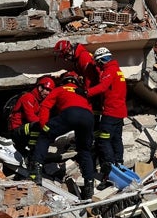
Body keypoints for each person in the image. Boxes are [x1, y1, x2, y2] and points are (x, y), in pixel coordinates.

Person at [28, 71, 95, 200]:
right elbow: (89, 108)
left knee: (44, 137)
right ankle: (89, 186)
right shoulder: (81, 92)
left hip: (70, 113)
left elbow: (45, 106)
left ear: (64, 81)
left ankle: (35, 171)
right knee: (84, 151)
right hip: (88, 117)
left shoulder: (59, 89)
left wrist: (44, 125)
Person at [87, 47, 127, 190]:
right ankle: (119, 166)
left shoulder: (109, 71)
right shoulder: (117, 70)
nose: (98, 66)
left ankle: (109, 173)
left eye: (98, 63)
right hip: (120, 112)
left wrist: (86, 92)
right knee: (117, 140)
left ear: (102, 60)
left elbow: (103, 86)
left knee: (104, 142)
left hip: (110, 113)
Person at [7, 76, 56, 162]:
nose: (48, 93)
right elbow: (31, 118)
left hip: (24, 131)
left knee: (40, 127)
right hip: (16, 131)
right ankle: (33, 153)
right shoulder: (28, 97)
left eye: (50, 91)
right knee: (37, 125)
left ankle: (34, 153)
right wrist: (47, 127)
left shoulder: (39, 102)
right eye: (47, 90)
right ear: (40, 88)